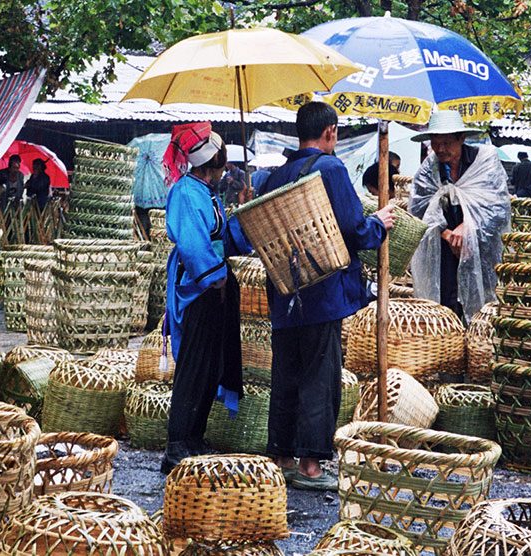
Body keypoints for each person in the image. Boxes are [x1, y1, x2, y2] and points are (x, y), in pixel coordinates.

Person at [258, 101, 395, 490]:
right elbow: (355, 228)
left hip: (285, 292)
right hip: (320, 292)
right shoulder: (330, 168)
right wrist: (379, 224)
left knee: (285, 374)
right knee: (320, 376)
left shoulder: (276, 174)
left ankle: (282, 456)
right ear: (330, 132)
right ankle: (311, 467)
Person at [161, 124, 250, 474]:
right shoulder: (185, 192)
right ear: (209, 163)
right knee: (193, 365)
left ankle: (194, 437)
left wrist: (244, 210)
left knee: (211, 364)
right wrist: (215, 280)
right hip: (199, 288)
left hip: (217, 283)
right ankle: (177, 445)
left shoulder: (208, 192)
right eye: (220, 165)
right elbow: (193, 243)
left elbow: (223, 237)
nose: (223, 171)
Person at [409, 110, 510, 322]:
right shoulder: (430, 168)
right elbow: (418, 209)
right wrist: (446, 234)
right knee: (445, 301)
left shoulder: (484, 161)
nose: (440, 149)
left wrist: (469, 226)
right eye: (435, 143)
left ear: (461, 139)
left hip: (481, 247)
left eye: (446, 143)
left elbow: (498, 208)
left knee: (481, 301)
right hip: (443, 248)